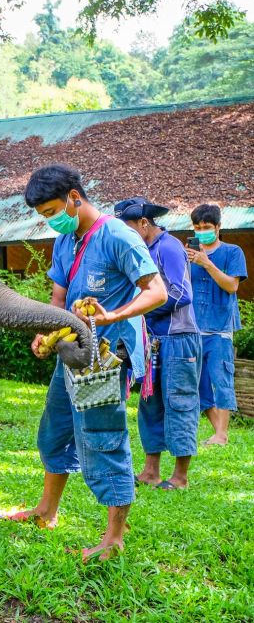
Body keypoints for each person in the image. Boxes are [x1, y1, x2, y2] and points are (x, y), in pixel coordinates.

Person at [2, 164, 166, 562]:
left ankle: (114, 538)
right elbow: (58, 300)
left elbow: (157, 291)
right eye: (42, 215)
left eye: (52, 210)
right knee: (55, 431)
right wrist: (45, 332)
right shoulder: (65, 240)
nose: (49, 219)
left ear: (75, 197)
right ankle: (47, 511)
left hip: (107, 359)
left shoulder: (117, 236)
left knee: (102, 437)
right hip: (72, 353)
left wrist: (113, 315)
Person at [115, 197, 201, 490]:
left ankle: (180, 477)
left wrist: (142, 307)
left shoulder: (169, 247)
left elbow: (181, 294)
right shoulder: (141, 250)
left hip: (179, 340)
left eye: (127, 229)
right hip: (151, 342)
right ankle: (150, 471)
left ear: (144, 223)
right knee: (149, 404)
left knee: (180, 403)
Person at [187, 204, 247, 446]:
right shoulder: (188, 255)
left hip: (220, 328)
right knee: (199, 386)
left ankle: (221, 435)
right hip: (192, 328)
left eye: (207, 228)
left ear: (218, 227)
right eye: (198, 228)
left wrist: (207, 263)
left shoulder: (233, 252)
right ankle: (219, 433)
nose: (202, 232)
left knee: (221, 380)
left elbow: (232, 286)